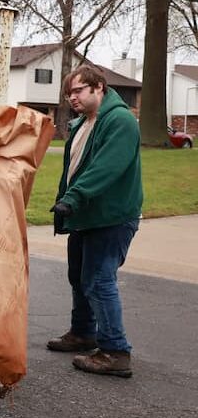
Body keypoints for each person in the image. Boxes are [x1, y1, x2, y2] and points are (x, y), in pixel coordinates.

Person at [46, 64, 142, 378]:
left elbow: (106, 167)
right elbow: (74, 168)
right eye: (68, 93)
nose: (71, 98)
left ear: (98, 87)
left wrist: (74, 198)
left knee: (100, 281)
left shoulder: (120, 121)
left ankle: (115, 350)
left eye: (78, 91)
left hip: (111, 216)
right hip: (87, 215)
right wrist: (66, 200)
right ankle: (83, 333)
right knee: (79, 276)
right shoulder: (83, 123)